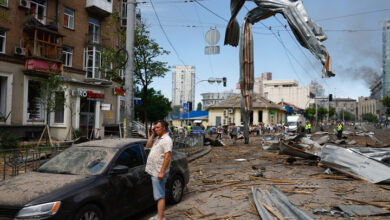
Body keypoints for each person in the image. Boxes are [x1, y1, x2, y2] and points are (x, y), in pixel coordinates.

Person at [145, 120, 172, 220]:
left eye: (157, 128)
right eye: (155, 128)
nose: (155, 129)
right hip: (154, 171)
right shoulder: (158, 138)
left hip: (158, 172)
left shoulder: (167, 140)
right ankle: (160, 216)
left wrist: (162, 172)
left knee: (160, 196)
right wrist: (152, 134)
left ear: (164, 128)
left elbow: (168, 156)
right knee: (159, 195)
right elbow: (148, 146)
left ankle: (160, 218)